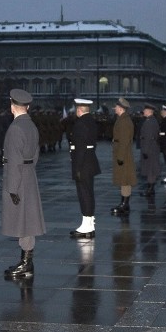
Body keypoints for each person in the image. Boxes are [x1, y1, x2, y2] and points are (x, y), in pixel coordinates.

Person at [2, 89, 46, 279]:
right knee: (27, 220)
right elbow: (35, 154)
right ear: (27, 107)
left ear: (12, 107)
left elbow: (14, 160)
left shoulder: (15, 128)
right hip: (29, 176)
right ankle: (26, 261)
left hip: (18, 178)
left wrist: (12, 188)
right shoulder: (32, 126)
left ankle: (26, 263)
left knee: (21, 220)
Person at [69, 98, 100, 238]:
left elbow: (80, 148)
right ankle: (89, 223)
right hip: (90, 161)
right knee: (88, 193)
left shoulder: (80, 124)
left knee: (84, 194)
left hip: (83, 163)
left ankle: (87, 226)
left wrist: (77, 168)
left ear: (79, 110)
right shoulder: (91, 122)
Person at [110, 98, 136, 216]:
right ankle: (124, 202)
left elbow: (124, 140)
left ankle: (125, 204)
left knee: (125, 179)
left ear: (120, 108)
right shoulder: (122, 119)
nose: (114, 109)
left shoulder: (125, 121)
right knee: (123, 179)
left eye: (116, 107)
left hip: (124, 154)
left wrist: (120, 156)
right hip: (122, 152)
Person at [138, 103, 161, 197]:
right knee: (150, 168)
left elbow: (148, 137)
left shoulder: (149, 122)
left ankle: (150, 189)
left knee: (150, 169)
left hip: (150, 149)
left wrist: (145, 151)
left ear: (149, 112)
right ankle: (150, 188)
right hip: (152, 148)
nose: (144, 111)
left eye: (145, 110)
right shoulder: (151, 120)